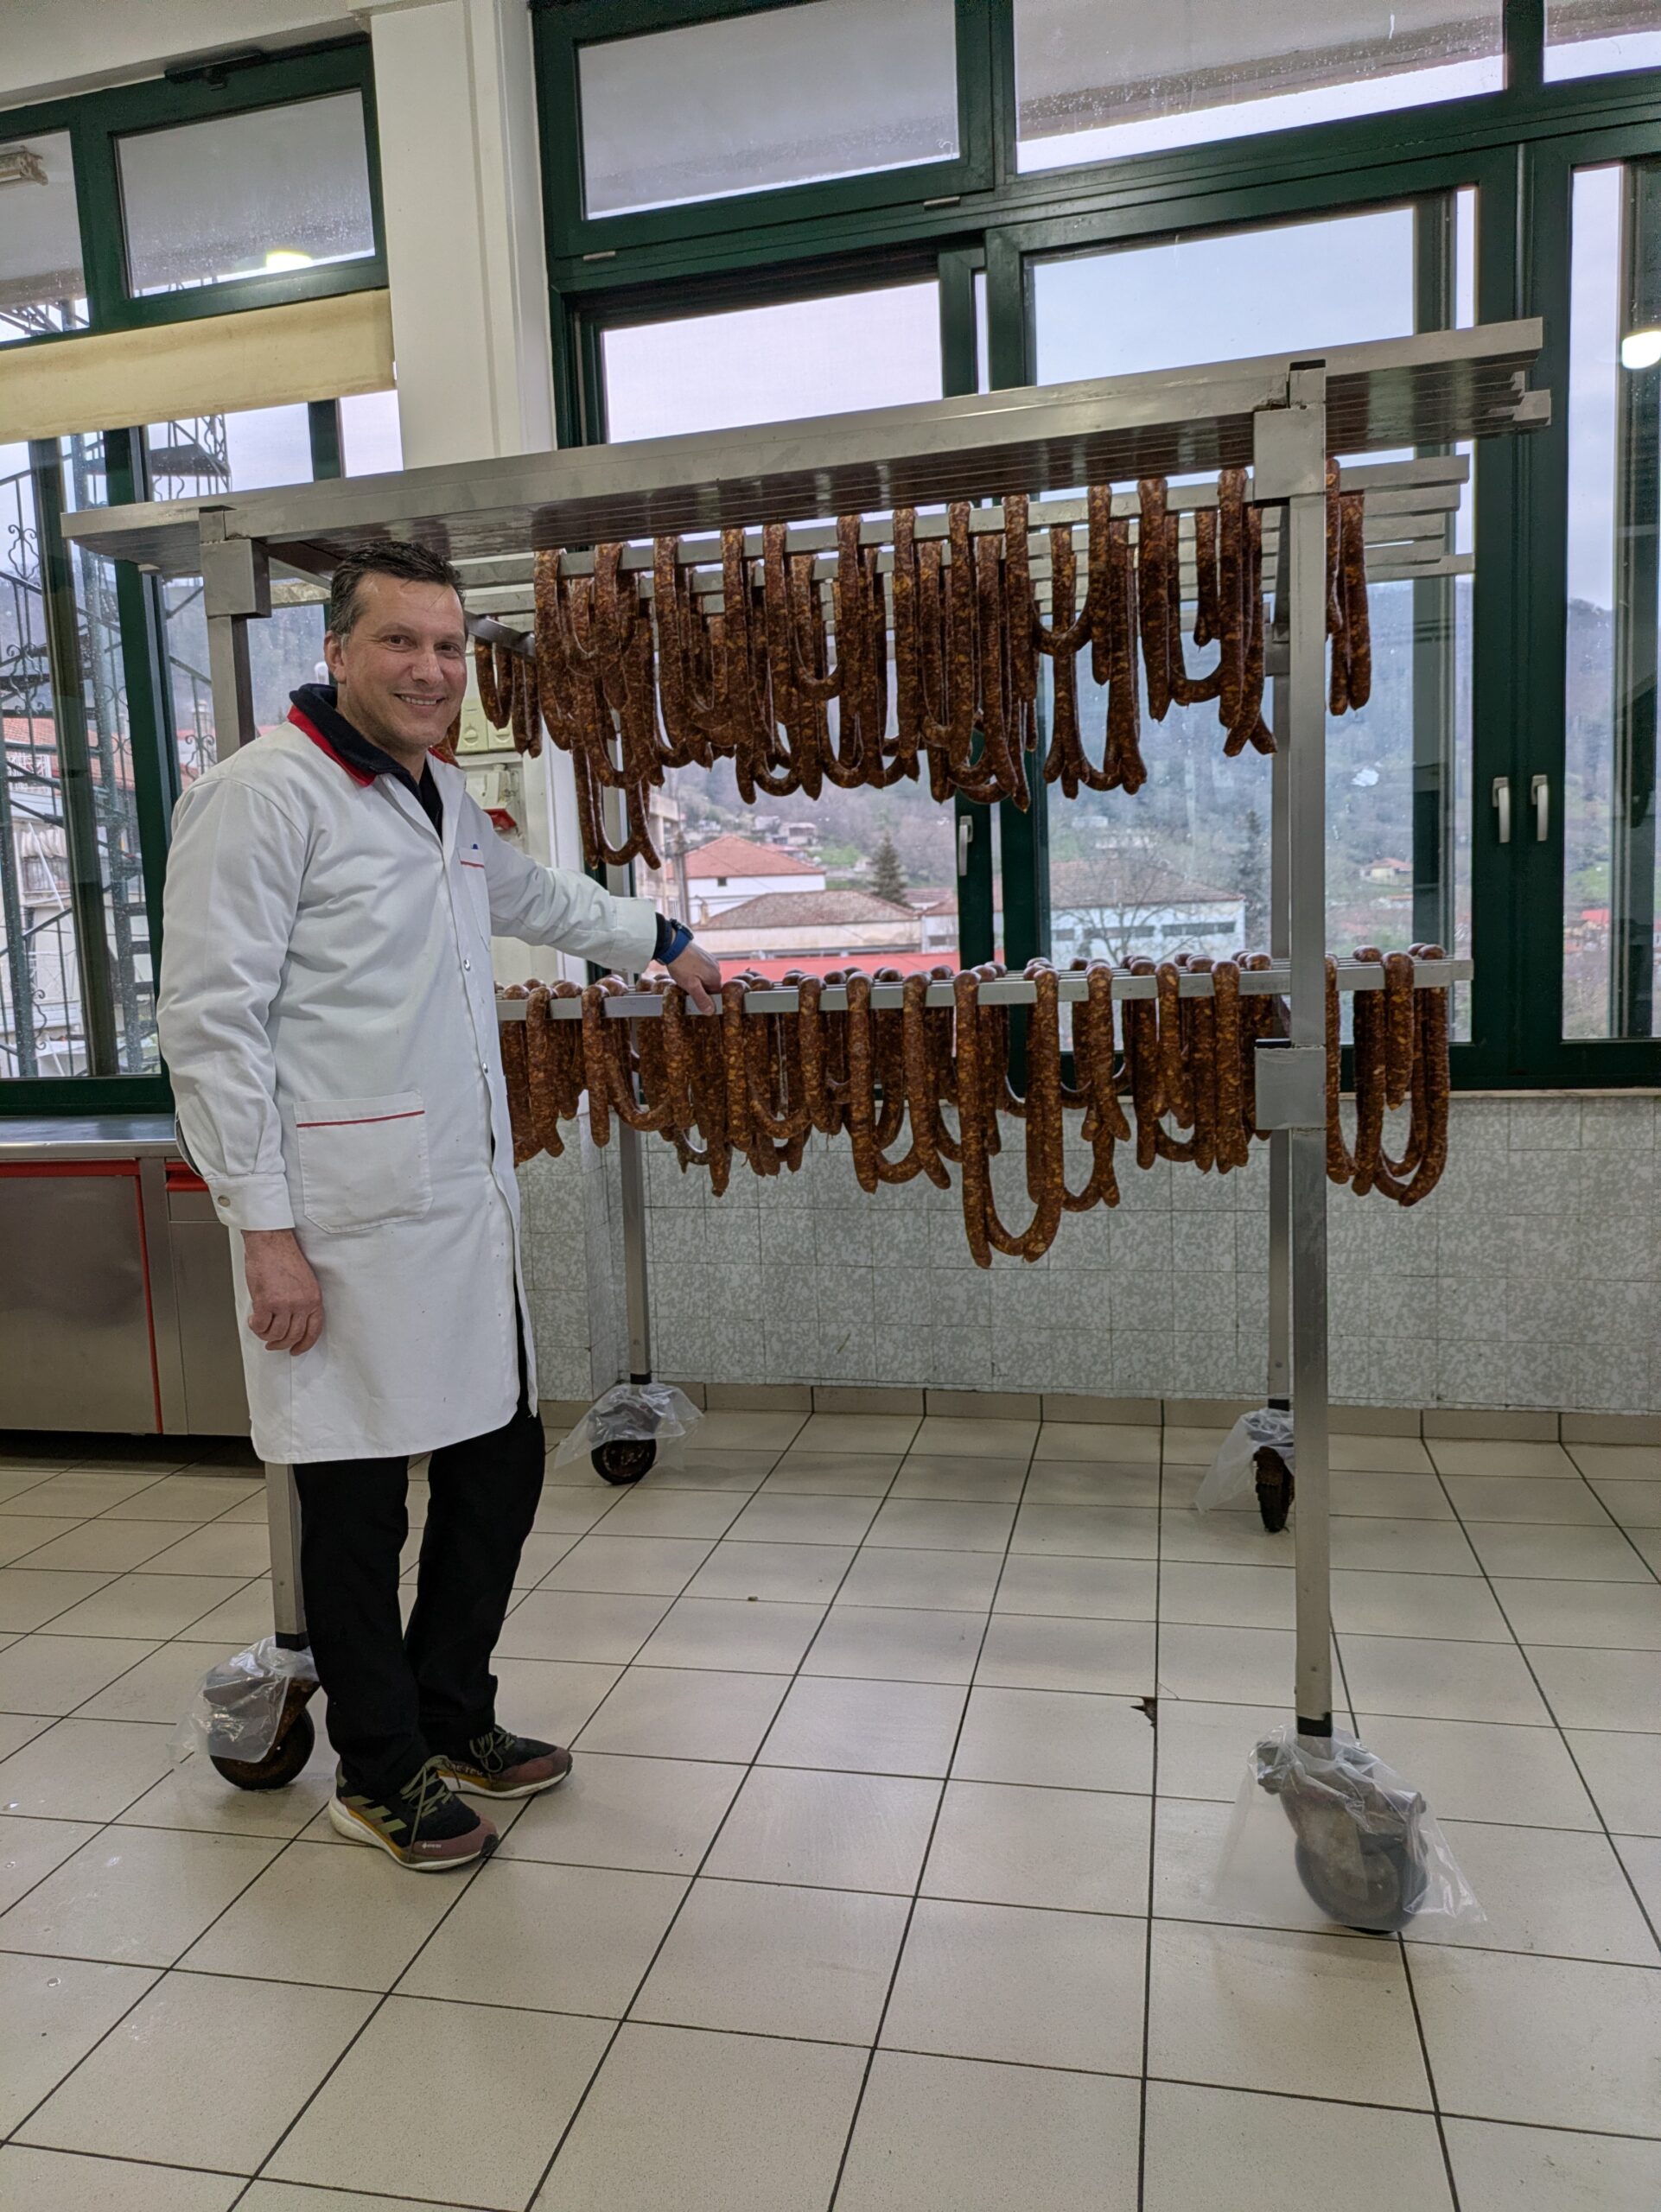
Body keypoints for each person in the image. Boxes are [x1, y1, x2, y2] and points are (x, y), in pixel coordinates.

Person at [157, 540, 720, 1871]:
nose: (431, 669)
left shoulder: (441, 796)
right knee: (357, 1510)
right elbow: (209, 1026)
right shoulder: (260, 796)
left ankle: (453, 1713)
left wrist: (662, 940)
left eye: (449, 647)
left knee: (498, 1465)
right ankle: (378, 1766)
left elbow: (532, 898)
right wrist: (266, 1234)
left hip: (459, 1219)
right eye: (401, 642)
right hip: (337, 1228)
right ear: (337, 652)